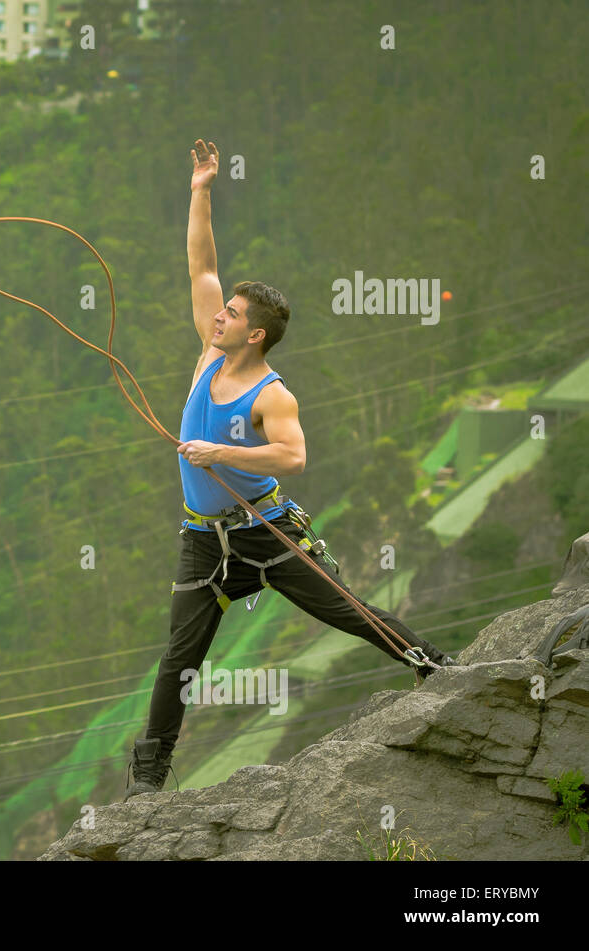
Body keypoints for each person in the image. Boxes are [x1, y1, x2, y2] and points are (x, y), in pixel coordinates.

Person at [124, 140, 457, 799]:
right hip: (205, 540)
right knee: (179, 661)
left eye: (233, 314)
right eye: (224, 309)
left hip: (266, 533)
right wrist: (200, 190)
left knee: (348, 609)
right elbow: (201, 267)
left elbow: (292, 457)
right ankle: (148, 775)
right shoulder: (207, 357)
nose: (219, 314)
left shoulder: (272, 394)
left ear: (256, 335)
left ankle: (434, 665)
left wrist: (220, 453)